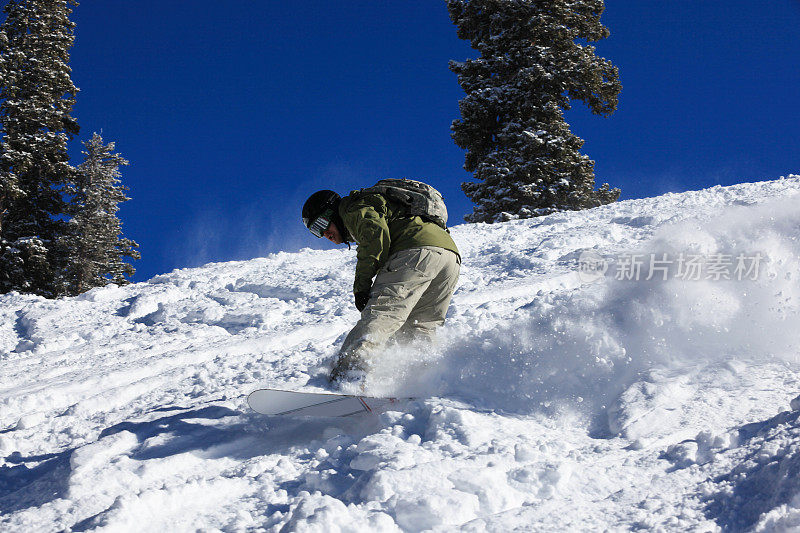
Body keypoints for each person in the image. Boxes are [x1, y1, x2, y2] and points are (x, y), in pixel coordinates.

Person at [301, 186, 461, 386]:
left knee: (381, 316)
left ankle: (348, 378)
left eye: (322, 224)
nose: (325, 233)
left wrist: (361, 287)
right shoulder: (375, 206)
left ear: (332, 212)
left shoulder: (352, 208)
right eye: (316, 231)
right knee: (421, 326)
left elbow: (375, 237)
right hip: (449, 257)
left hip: (414, 251)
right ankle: (419, 382)